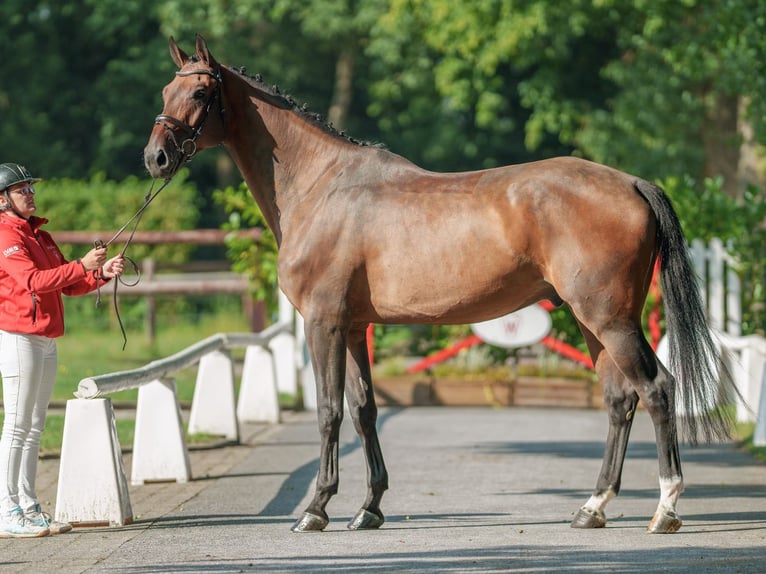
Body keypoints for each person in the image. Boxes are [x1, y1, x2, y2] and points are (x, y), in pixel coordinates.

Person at [0, 163, 124, 538]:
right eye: (22, 190)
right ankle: (6, 510)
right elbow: (35, 282)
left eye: (30, 189)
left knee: (35, 426)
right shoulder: (5, 235)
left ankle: (27, 504)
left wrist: (98, 274)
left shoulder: (42, 236)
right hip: (19, 335)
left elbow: (66, 285)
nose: (31, 195)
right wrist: (80, 265)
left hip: (46, 336)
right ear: (3, 200)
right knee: (17, 426)